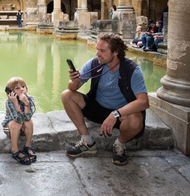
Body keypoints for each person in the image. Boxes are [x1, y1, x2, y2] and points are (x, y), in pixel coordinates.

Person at [61, 33, 149, 165]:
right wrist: (74, 80)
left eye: (102, 50)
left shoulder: (132, 70)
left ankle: (120, 144)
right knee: (66, 95)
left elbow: (143, 102)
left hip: (121, 114)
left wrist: (115, 114)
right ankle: (87, 142)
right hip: (97, 108)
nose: (97, 53)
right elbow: (72, 88)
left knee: (136, 120)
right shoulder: (94, 64)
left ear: (116, 52)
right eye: (97, 49)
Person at [2, 77, 37, 165]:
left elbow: (28, 117)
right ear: (11, 92)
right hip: (11, 127)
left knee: (29, 122)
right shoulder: (9, 102)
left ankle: (27, 145)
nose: (21, 89)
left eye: (23, 86)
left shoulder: (29, 99)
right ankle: (15, 150)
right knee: (16, 124)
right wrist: (16, 104)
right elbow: (18, 119)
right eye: (17, 88)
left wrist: (26, 103)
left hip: (23, 126)